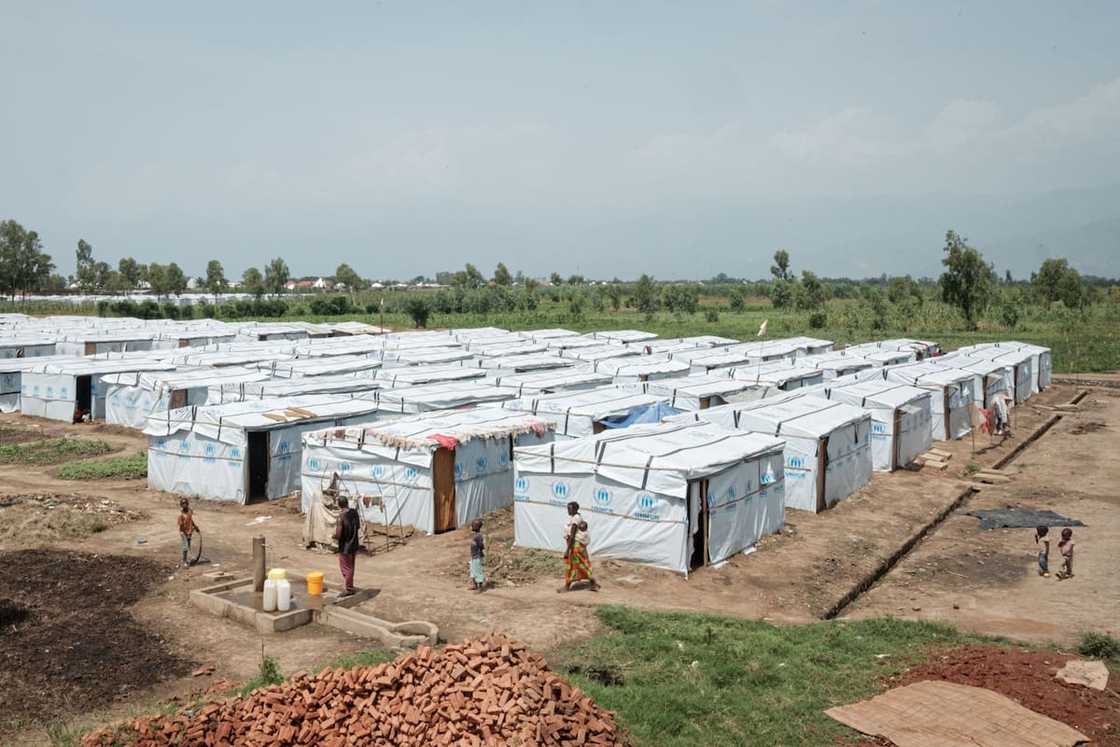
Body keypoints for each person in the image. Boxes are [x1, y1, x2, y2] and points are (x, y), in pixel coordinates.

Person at [559, 501, 599, 592]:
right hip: (576, 545)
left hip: (575, 546)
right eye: (568, 508)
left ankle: (567, 586)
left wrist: (567, 550)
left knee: (573, 565)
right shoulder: (575, 517)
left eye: (570, 508)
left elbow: (572, 535)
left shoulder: (575, 519)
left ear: (575, 509)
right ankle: (592, 583)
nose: (568, 510)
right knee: (578, 565)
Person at [334, 496, 360, 596]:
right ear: (347, 503)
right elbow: (357, 526)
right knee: (351, 566)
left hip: (345, 547)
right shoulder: (354, 513)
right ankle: (350, 585)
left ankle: (349, 589)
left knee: (345, 568)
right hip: (354, 544)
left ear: (339, 505)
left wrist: (334, 536)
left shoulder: (341, 517)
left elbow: (338, 535)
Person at [178, 498, 198, 568]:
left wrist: (195, 527)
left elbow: (191, 521)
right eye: (183, 504)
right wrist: (186, 533)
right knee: (185, 547)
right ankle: (184, 561)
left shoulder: (189, 513)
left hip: (189, 532)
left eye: (186, 504)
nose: (185, 505)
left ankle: (186, 559)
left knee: (188, 546)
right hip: (183, 532)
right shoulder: (180, 515)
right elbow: (181, 526)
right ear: (181, 505)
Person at [468, 518, 487, 592]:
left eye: (473, 525)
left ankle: (480, 587)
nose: (472, 526)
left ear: (477, 527)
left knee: (478, 571)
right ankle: (474, 585)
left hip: (477, 556)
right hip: (473, 556)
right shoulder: (476, 535)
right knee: (473, 571)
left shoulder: (478, 536)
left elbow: (481, 545)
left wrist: (480, 551)